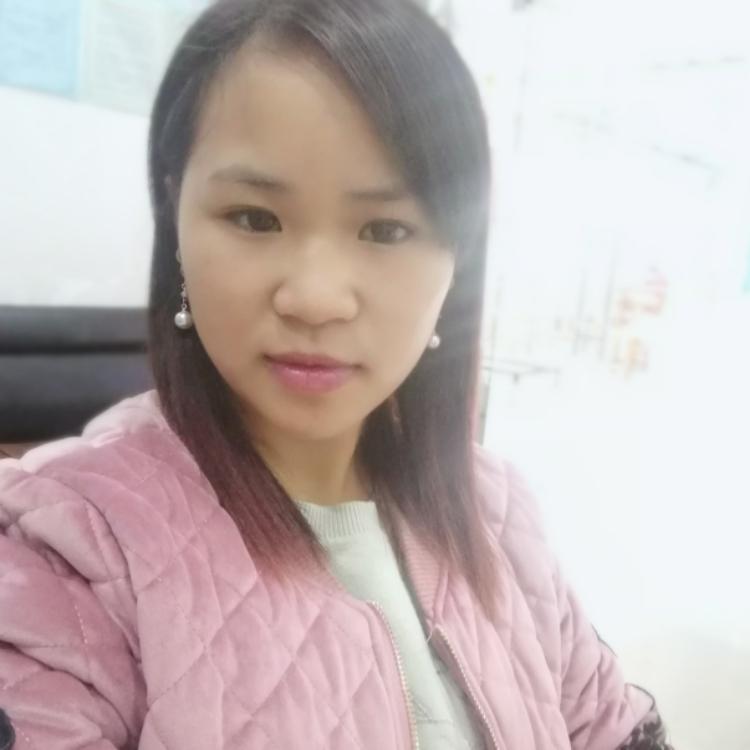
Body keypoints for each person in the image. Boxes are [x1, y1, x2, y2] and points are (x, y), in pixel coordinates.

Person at [0, 0, 674, 748]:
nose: (316, 299)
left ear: (458, 256)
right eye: (255, 218)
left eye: (386, 229)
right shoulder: (68, 546)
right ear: (175, 209)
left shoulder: (499, 515)